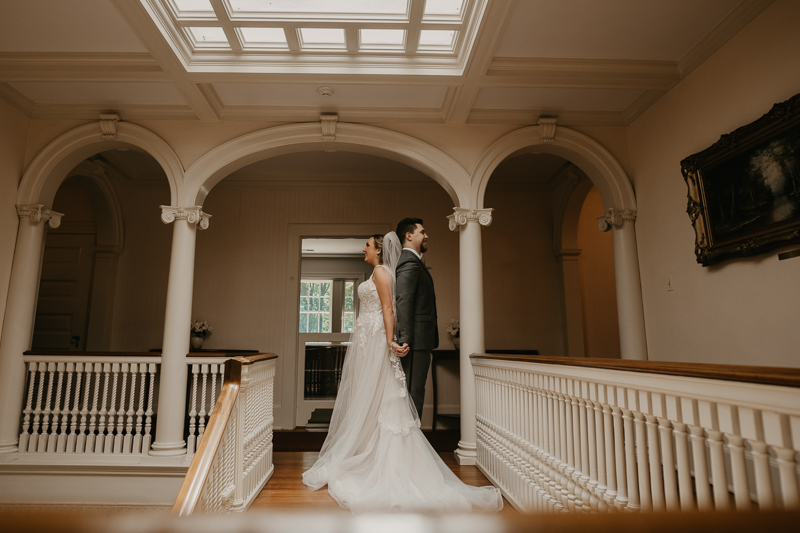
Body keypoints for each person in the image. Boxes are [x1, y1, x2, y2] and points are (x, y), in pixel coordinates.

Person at [302, 232, 502, 514]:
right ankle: (365, 452)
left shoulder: (382, 273)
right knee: (368, 398)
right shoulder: (378, 272)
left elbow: (388, 309)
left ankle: (383, 464)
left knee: (382, 397)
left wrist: (387, 341)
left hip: (376, 341)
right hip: (366, 340)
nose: (364, 249)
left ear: (379, 251)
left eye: (368, 246)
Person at [394, 218, 437, 418]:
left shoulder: (414, 261)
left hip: (419, 340)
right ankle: (409, 445)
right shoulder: (409, 262)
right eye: (422, 232)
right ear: (409, 236)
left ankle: (412, 442)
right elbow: (404, 300)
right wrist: (404, 339)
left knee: (416, 392)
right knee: (413, 393)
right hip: (414, 342)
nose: (426, 235)